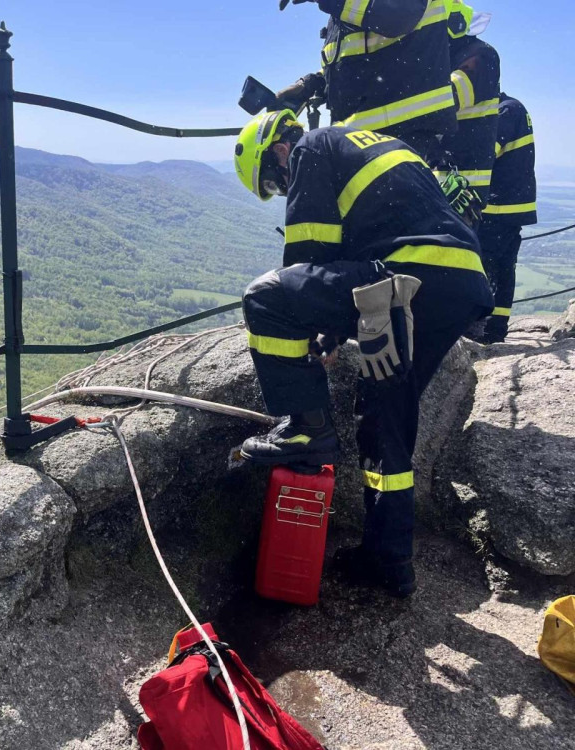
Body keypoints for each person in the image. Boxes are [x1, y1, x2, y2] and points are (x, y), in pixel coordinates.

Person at [231, 109, 493, 596]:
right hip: (457, 285)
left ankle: (306, 429)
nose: (282, 190)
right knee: (383, 415)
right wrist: (333, 331)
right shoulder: (373, 144)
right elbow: (361, 246)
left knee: (265, 298)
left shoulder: (310, 147)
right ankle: (388, 563)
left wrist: (310, 327)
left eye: (273, 181)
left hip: (403, 276)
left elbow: (309, 256)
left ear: (279, 149)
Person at [277, 0, 456, 156]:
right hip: (362, 143)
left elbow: (398, 16)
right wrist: (310, 83)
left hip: (405, 137)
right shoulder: (342, 13)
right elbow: (353, 63)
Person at [476, 93, 538, 343]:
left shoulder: (504, 111)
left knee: (486, 265)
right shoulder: (514, 108)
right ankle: (496, 327)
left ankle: (482, 327)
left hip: (497, 207)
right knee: (504, 268)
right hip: (511, 207)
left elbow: (483, 155)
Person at [433, 1, 500, 207]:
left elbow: (446, 99)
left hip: (463, 186)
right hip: (441, 180)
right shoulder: (447, 59)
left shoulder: (481, 56)